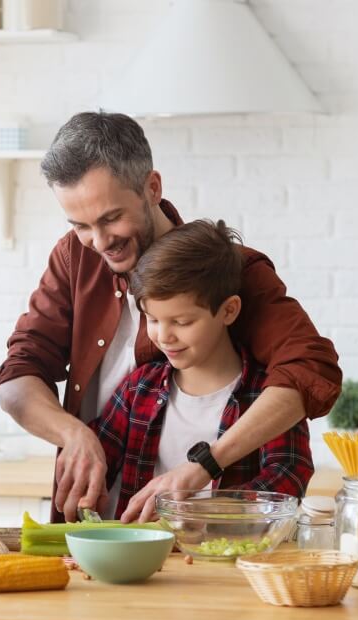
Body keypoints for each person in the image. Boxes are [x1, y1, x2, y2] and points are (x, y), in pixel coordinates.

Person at [0, 112, 341, 522]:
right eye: (80, 225)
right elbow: (18, 374)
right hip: (105, 528)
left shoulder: (228, 270)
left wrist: (205, 468)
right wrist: (73, 434)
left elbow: (310, 368)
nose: (99, 242)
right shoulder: (75, 257)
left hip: (211, 540)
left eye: (110, 218)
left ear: (152, 187)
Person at [91, 219, 313, 522]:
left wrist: (199, 512)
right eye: (152, 319)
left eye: (182, 322)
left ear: (229, 310)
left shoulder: (267, 396)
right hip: (140, 560)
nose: (164, 336)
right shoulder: (138, 388)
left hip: (228, 560)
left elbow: (288, 477)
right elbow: (97, 463)